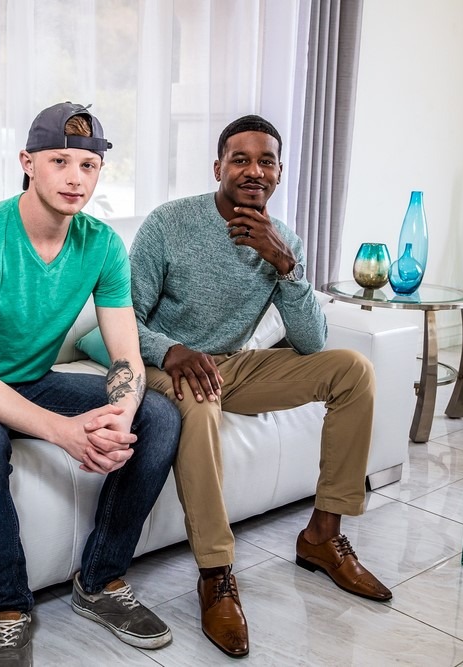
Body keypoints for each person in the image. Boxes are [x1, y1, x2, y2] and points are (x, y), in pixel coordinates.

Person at [0, 102, 181, 667]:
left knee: (158, 415)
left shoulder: (102, 245)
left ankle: (100, 582)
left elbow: (126, 357)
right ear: (27, 162)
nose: (74, 177)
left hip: (32, 381)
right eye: (59, 161)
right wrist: (65, 432)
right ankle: (8, 613)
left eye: (88, 165)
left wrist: (118, 419)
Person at [129, 114, 390, 659]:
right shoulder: (169, 223)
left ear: (279, 172)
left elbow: (312, 343)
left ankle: (322, 536)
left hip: (234, 366)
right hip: (166, 364)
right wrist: (172, 351)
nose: (254, 171)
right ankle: (216, 573)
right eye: (240, 159)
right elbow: (122, 319)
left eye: (266, 161)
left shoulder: (283, 240)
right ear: (218, 167)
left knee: (352, 370)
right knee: (201, 400)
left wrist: (286, 266)